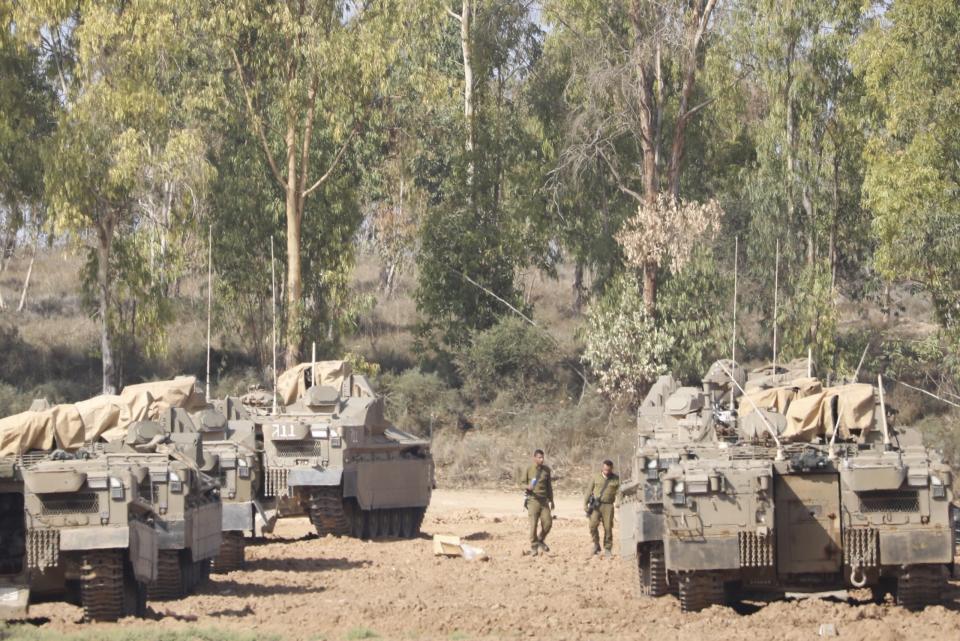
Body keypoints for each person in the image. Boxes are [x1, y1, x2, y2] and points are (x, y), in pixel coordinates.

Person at [520, 449, 554, 555]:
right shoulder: (528, 469)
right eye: (539, 457)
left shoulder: (546, 470)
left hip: (544, 501)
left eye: (542, 457)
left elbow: (549, 487)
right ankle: (534, 547)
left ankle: (540, 539)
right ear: (534, 458)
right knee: (533, 525)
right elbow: (521, 484)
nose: (542, 459)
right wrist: (528, 486)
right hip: (533, 500)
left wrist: (552, 500)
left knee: (548, 523)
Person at [585, 459, 620, 558]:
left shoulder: (616, 479)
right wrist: (585, 504)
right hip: (596, 505)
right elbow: (588, 491)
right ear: (602, 468)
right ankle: (596, 545)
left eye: (608, 470)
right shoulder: (595, 477)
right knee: (592, 526)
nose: (606, 471)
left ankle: (608, 549)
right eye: (604, 469)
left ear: (611, 469)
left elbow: (619, 492)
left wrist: (619, 501)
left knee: (608, 528)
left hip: (608, 506)